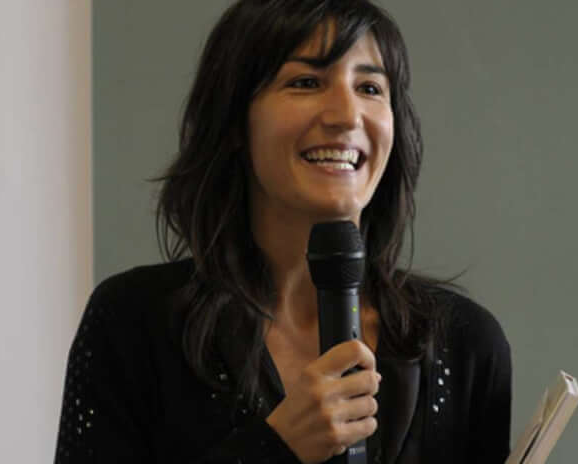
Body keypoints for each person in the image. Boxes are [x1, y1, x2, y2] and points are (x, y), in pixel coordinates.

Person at [54, 1, 511, 463]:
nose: (347, 116)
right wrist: (275, 448)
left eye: (370, 88)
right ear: (236, 120)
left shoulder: (465, 342)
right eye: (306, 82)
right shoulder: (132, 323)